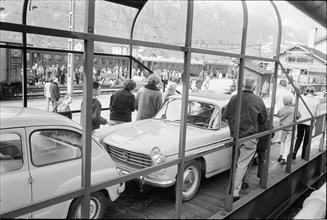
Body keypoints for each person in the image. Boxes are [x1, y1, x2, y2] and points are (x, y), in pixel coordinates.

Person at [222, 77, 268, 202]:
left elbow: (224, 116)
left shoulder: (234, 98)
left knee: (235, 162)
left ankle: (232, 187)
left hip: (235, 136)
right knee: (242, 164)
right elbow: (263, 119)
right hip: (250, 137)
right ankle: (235, 193)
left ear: (243, 85)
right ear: (253, 87)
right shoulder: (258, 100)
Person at [293, 86, 320, 160]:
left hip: (301, 121)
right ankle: (304, 155)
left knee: (299, 137)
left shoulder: (302, 99)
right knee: (307, 139)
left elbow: (296, 108)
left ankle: (294, 151)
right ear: (313, 92)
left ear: (306, 91)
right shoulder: (316, 101)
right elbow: (317, 113)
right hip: (310, 122)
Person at [276, 95, 301, 164]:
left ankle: (281, 155)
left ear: (284, 102)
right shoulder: (294, 109)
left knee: (283, 142)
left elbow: (278, 115)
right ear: (291, 102)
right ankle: (284, 158)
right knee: (288, 143)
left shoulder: (281, 109)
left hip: (283, 128)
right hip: (291, 129)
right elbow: (299, 116)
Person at [273, 79, 294, 144]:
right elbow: (293, 102)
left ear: (280, 85)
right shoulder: (289, 92)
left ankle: (279, 137)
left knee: (279, 123)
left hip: (278, 110)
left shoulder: (277, 92)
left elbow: (274, 100)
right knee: (284, 123)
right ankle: (281, 137)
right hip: (287, 110)